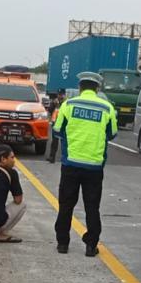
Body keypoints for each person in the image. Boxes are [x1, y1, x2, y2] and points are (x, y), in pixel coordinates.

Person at [51, 72, 118, 256]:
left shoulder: (69, 105)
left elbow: (56, 130)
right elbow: (112, 133)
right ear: (97, 89)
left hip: (71, 164)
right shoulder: (107, 108)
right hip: (94, 167)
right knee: (92, 207)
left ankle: (62, 244)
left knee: (66, 205)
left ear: (80, 88)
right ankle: (90, 246)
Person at [45, 89, 67, 163]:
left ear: (64, 95)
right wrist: (49, 120)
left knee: (64, 142)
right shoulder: (54, 102)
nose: (60, 96)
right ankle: (52, 157)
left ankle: (65, 158)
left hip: (64, 125)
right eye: (59, 94)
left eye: (62, 94)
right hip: (56, 124)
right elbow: (49, 111)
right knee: (54, 142)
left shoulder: (67, 103)